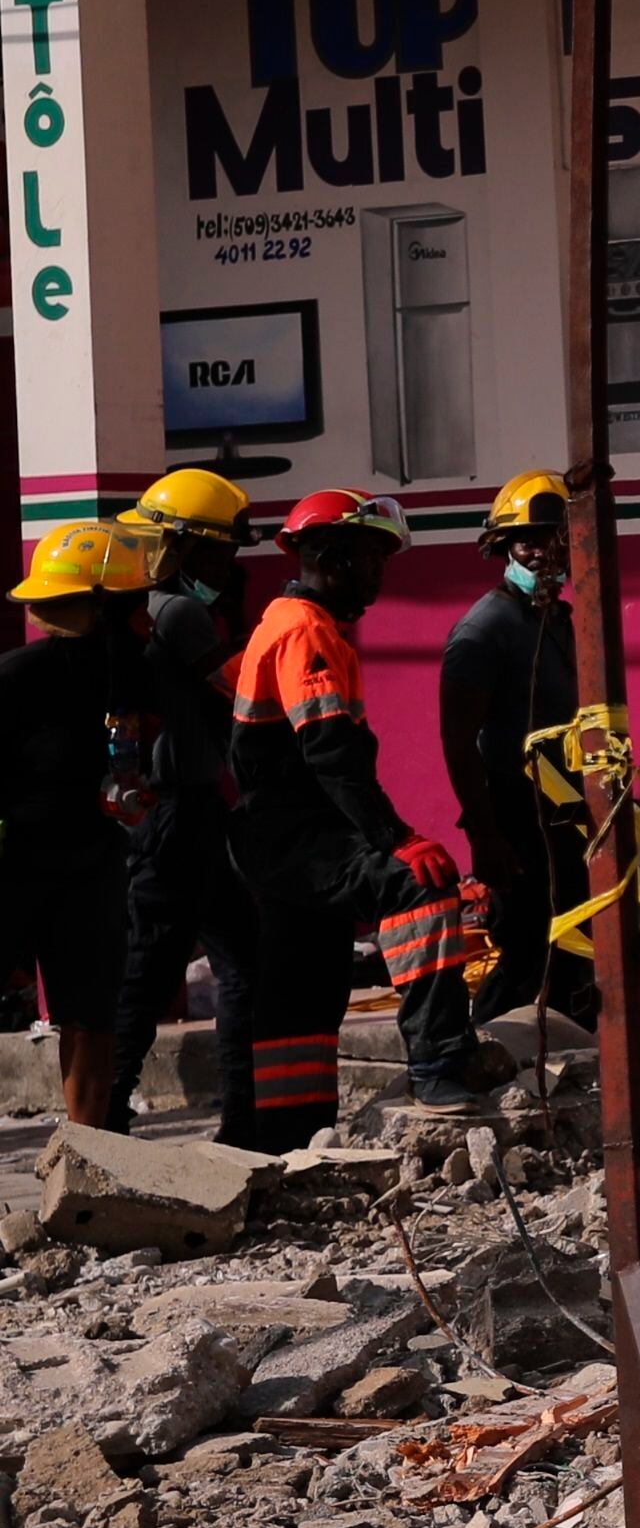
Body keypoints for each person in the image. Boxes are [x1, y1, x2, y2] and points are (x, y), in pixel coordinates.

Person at [225, 491, 491, 1143]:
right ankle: (440, 1065)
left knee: (305, 983)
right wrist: (395, 839)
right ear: (333, 557)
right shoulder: (304, 630)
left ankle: (288, 1131)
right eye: (372, 557)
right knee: (420, 885)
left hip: (285, 836)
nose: (380, 572)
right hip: (295, 836)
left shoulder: (299, 624)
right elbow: (331, 751)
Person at [0, 521, 156, 1129]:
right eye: (136, 600)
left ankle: (86, 1159)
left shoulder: (132, 674)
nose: (147, 612)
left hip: (90, 870)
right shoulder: (16, 679)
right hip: (14, 867)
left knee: (91, 1016)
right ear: (101, 607)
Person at [114, 469, 260, 1109]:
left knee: (238, 956)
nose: (228, 565)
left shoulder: (149, 609)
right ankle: (107, 1115)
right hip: (180, 817)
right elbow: (241, 690)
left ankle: (239, 1115)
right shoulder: (178, 612)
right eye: (220, 551)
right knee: (154, 971)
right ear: (182, 547)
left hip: (185, 813)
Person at [440, 472, 592, 1030]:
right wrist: (485, 834)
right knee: (528, 947)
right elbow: (458, 741)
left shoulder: (558, 622)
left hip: (565, 812)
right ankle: (489, 1048)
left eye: (557, 538)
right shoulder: (485, 630)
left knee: (575, 947)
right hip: (515, 813)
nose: (546, 552)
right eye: (530, 540)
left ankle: (567, 1058)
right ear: (502, 548)